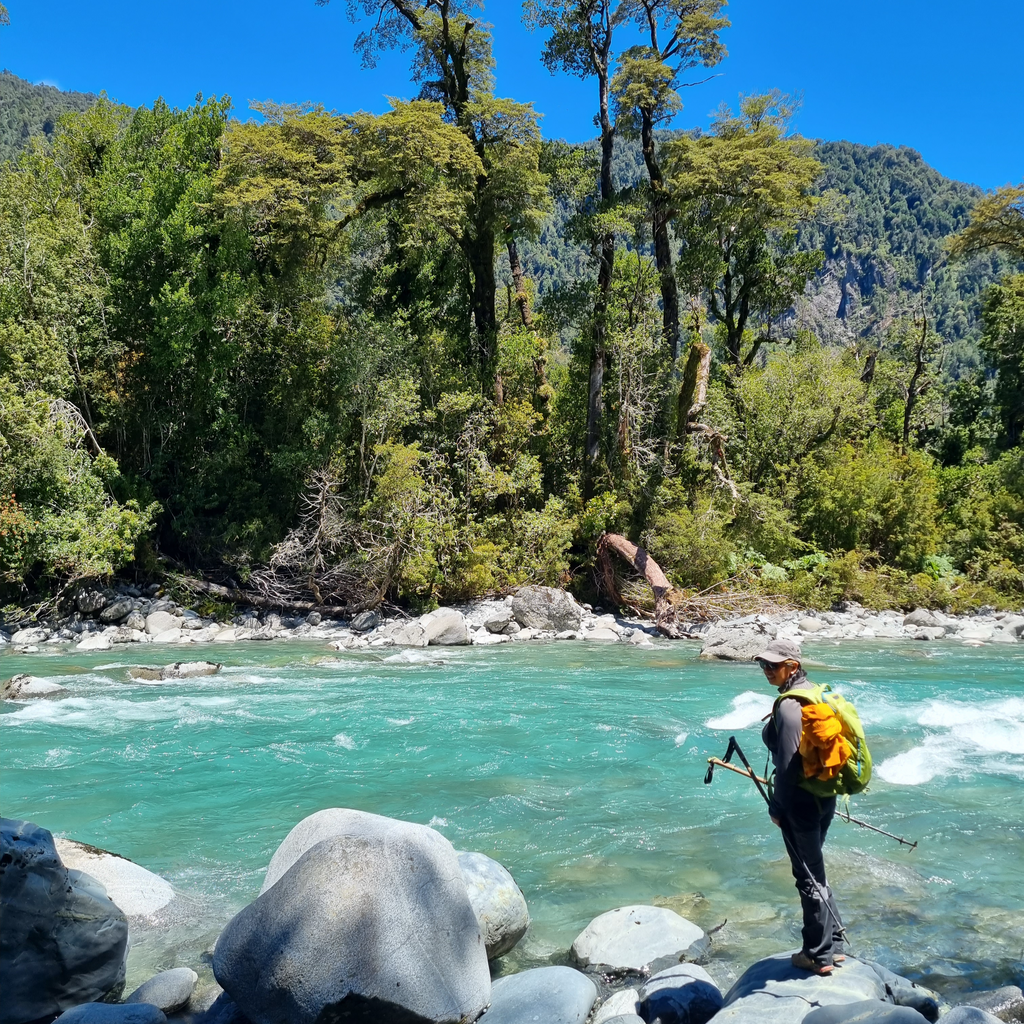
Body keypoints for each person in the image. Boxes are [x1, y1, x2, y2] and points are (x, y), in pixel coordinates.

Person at [755, 638, 846, 976]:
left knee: (808, 876)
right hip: (824, 796)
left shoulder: (790, 706)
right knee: (815, 869)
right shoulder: (817, 693)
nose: (766, 671)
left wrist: (777, 807)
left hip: (801, 803)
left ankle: (818, 955)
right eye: (762, 664)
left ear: (792, 666)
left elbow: (789, 763)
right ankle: (834, 944)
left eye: (773, 665)